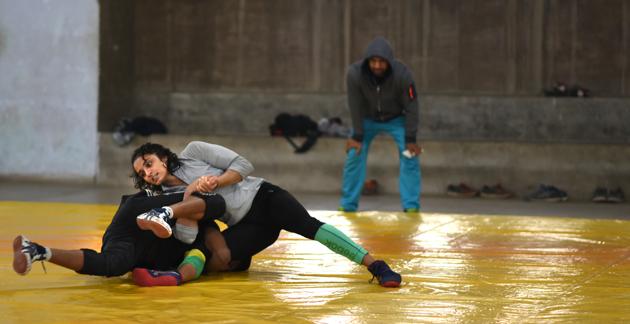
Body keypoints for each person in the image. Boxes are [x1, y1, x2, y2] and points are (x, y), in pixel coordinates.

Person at [131, 141, 402, 287]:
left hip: (264, 197)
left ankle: (375, 265)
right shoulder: (164, 198)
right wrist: (189, 195)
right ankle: (174, 277)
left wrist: (217, 182)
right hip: (247, 225)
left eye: (149, 163)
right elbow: (187, 236)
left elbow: (244, 164)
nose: (149, 172)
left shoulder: (193, 152)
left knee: (309, 225)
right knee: (203, 251)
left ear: (160, 155)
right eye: (143, 173)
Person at [12, 190, 239, 286]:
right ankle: (164, 214)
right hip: (140, 217)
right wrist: (179, 277)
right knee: (212, 206)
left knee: (113, 264)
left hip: (136, 241)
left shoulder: (198, 252)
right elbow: (217, 209)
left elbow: (201, 258)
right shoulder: (207, 239)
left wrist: (173, 276)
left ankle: (37, 250)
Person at [340, 36, 422, 213]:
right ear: (367, 61)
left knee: (410, 155)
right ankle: (348, 205)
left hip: (396, 119)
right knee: (354, 152)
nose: (377, 65)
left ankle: (411, 206)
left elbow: (412, 106)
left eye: (382, 62)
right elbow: (354, 104)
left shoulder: (403, 74)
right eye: (373, 61)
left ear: (389, 62)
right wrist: (357, 136)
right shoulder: (354, 74)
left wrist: (410, 138)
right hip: (367, 119)